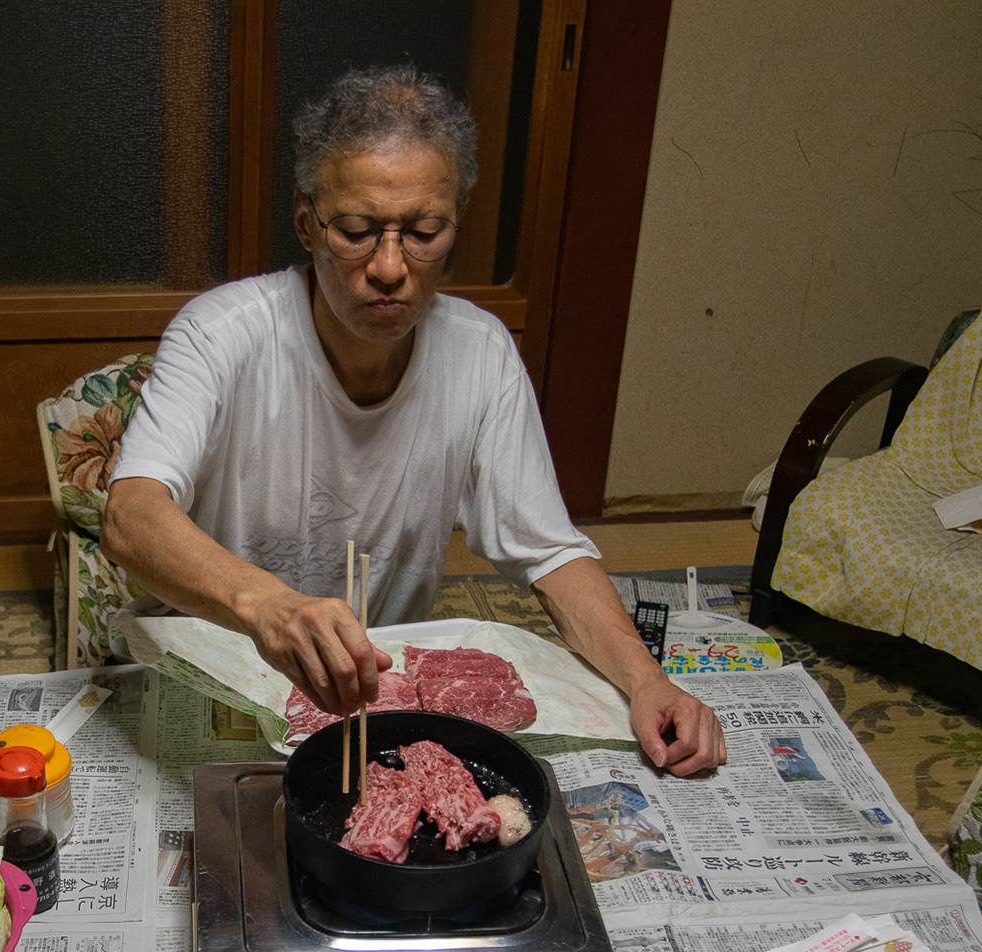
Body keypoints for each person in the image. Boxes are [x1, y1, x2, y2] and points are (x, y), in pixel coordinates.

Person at [101, 65, 724, 776]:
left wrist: (647, 681)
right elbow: (131, 515)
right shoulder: (221, 334)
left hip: (372, 691)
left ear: (456, 220)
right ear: (306, 224)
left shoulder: (481, 353)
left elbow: (550, 552)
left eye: (425, 231)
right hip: (218, 661)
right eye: (357, 231)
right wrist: (268, 607)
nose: (391, 267)